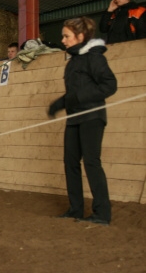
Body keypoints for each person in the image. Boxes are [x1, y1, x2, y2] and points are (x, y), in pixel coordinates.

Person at [48, 17, 117, 225]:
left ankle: (102, 213)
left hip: (92, 117)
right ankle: (76, 209)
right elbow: (73, 93)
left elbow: (110, 85)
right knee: (70, 162)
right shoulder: (73, 61)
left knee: (91, 162)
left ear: (80, 36)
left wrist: (79, 98)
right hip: (74, 118)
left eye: (66, 36)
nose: (63, 40)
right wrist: (59, 104)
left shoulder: (94, 58)